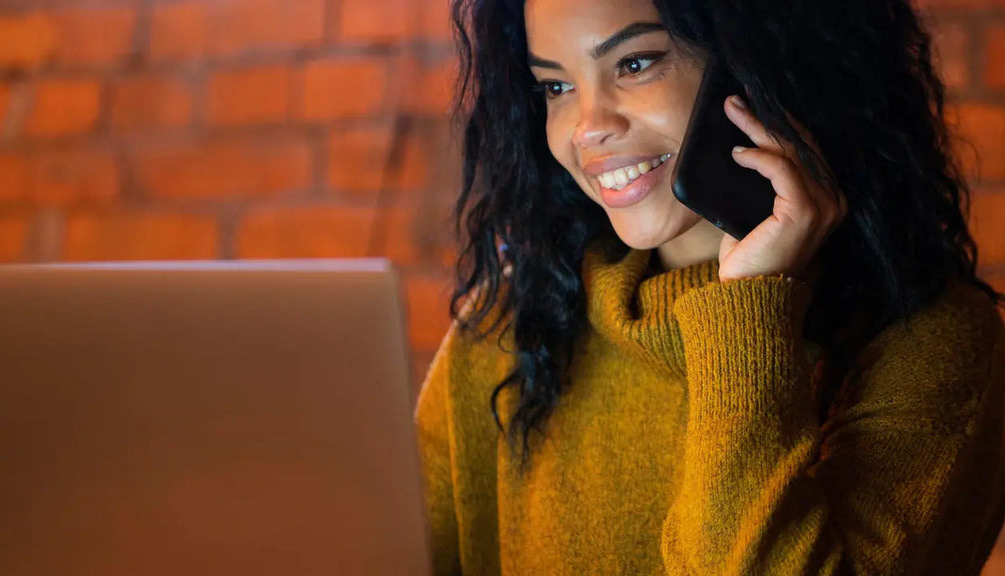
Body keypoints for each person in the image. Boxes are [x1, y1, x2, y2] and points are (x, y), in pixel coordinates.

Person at [414, 0, 1005, 573]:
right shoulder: (511, 327)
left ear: (764, 61)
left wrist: (751, 305)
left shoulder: (934, 343)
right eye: (556, 87)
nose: (589, 127)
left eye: (636, 63)